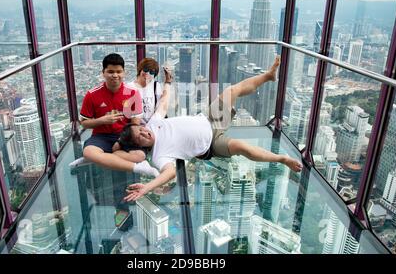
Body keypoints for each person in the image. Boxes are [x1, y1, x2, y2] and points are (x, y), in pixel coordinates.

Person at [119, 55, 304, 202]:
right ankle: (282, 159)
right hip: (211, 145)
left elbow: (164, 104)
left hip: (209, 119)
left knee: (231, 91)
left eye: (141, 130)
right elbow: (170, 172)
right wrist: (147, 187)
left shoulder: (152, 124)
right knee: (242, 147)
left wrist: (167, 83)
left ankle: (268, 76)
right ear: (141, 147)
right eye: (141, 137)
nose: (145, 132)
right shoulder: (159, 156)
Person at [75, 53, 159, 177]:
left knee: (140, 155)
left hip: (125, 136)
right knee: (89, 152)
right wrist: (102, 120)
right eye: (110, 71)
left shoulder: (132, 93)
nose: (115, 75)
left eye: (119, 71)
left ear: (124, 73)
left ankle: (101, 157)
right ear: (103, 72)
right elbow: (84, 123)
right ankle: (138, 168)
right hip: (101, 136)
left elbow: (135, 123)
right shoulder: (92, 94)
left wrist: (121, 141)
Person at [126, 58, 166, 123]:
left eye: (152, 72)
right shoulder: (129, 87)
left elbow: (159, 108)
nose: (147, 73)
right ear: (140, 70)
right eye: (145, 70)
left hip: (152, 125)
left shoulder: (156, 86)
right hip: (135, 126)